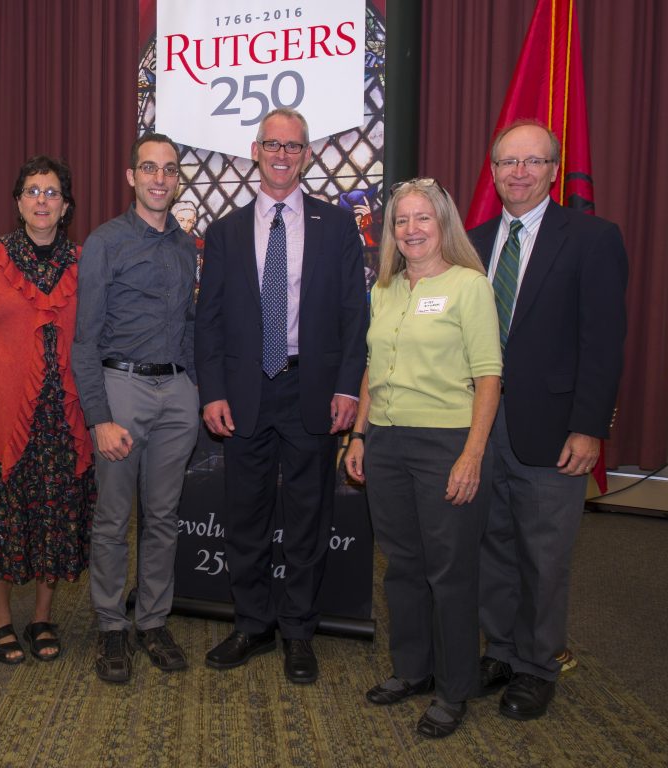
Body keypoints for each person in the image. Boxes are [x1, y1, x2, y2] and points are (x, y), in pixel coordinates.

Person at [195, 108, 368, 684]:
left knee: (308, 518)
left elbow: (353, 313)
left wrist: (348, 385)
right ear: (255, 149)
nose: (282, 154)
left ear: (307, 155)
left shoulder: (336, 227)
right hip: (244, 393)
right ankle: (252, 624)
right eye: (273, 144)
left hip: (310, 390)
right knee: (244, 516)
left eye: (293, 147)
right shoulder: (223, 232)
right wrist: (213, 392)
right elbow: (209, 322)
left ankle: (298, 632)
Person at [468, 119, 627, 720]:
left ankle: (537, 666)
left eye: (533, 162)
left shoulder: (592, 238)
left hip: (556, 429)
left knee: (544, 553)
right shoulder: (474, 242)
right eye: (509, 162)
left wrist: (590, 427)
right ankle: (501, 651)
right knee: (493, 545)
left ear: (554, 171)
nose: (519, 172)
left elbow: (604, 343)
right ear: (494, 170)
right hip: (480, 426)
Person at [344, 178, 501, 738]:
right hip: (385, 443)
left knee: (451, 572)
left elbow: (488, 376)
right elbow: (369, 365)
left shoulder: (469, 286)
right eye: (401, 221)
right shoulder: (384, 287)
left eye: (422, 219)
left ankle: (455, 688)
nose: (411, 229)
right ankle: (412, 670)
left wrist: (472, 455)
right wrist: (358, 436)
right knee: (404, 567)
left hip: (445, 444)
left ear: (443, 225)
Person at [0, 156, 95, 664]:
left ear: (66, 205)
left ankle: (41, 617)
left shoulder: (84, 262)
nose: (42, 200)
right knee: (3, 520)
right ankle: (0, 618)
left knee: (55, 518)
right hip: (1, 415)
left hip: (63, 415)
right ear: (17, 202)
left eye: (52, 192)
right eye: (32, 191)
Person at [72, 133, 199, 684]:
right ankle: (109, 627)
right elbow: (84, 340)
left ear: (177, 179)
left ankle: (151, 621)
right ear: (131, 177)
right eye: (149, 168)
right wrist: (99, 417)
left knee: (164, 517)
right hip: (120, 389)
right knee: (112, 518)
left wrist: (196, 389)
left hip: (177, 394)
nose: (159, 179)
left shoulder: (185, 246)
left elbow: (190, 326)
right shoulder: (105, 242)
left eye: (169, 170)